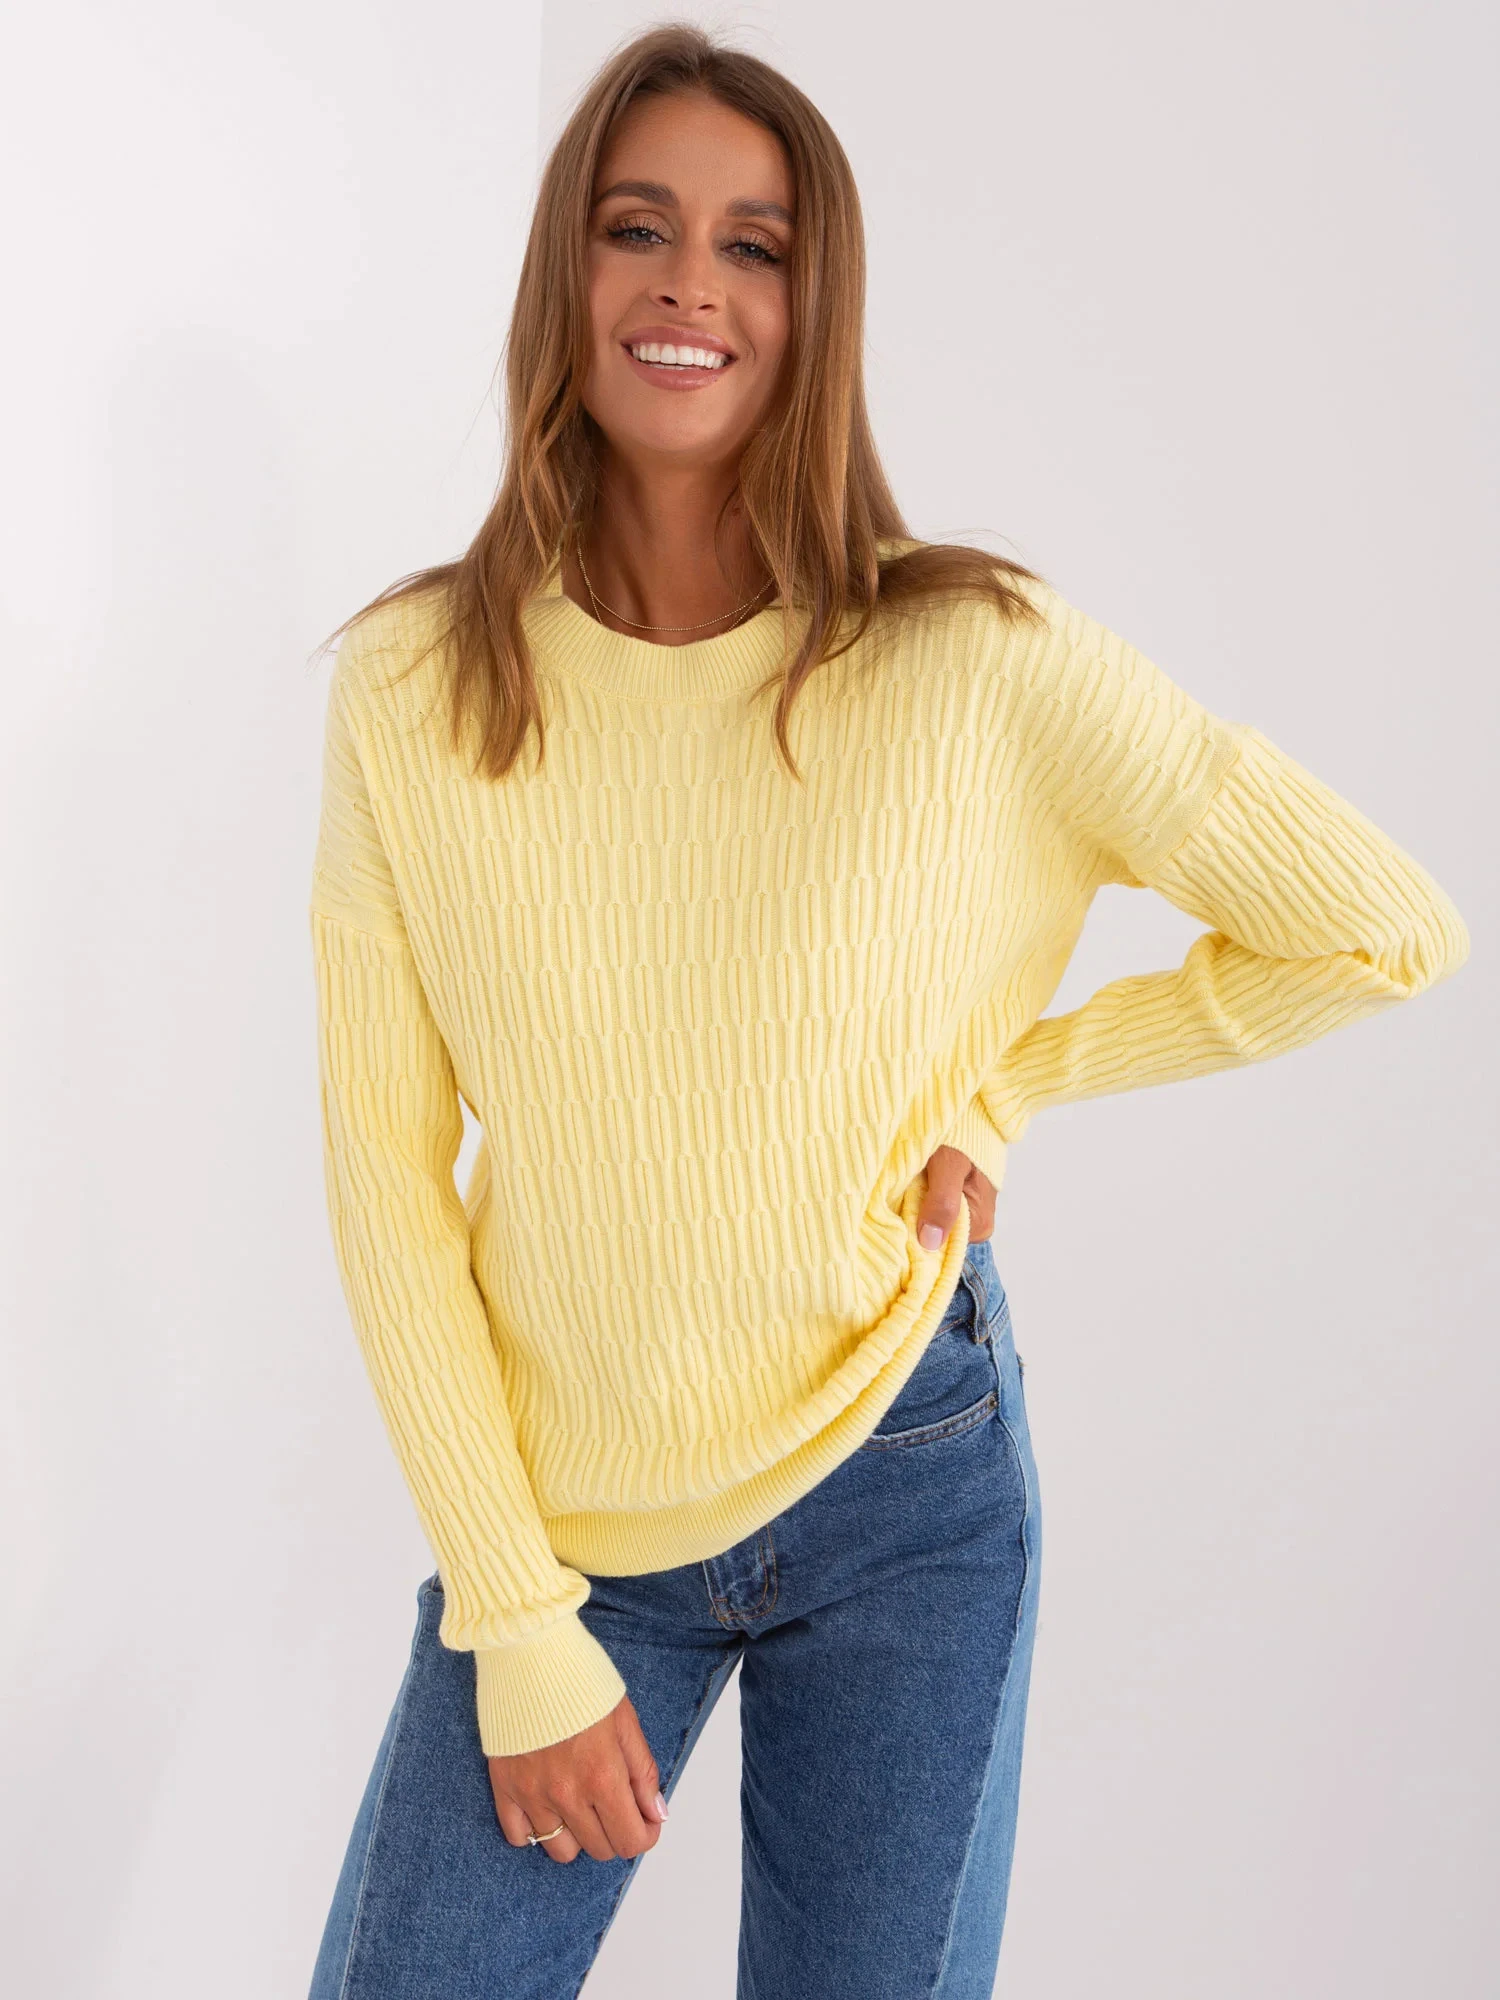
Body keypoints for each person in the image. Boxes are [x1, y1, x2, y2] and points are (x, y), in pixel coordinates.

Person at [303, 25, 1469, 2000]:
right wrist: (511, 1613)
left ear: (814, 303)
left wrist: (1018, 1078)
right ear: (565, 272)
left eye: (754, 245)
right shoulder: (415, 685)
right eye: (637, 227)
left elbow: (1376, 926)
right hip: (566, 1522)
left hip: (904, 1470)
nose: (690, 284)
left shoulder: (974, 657)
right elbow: (386, 1182)